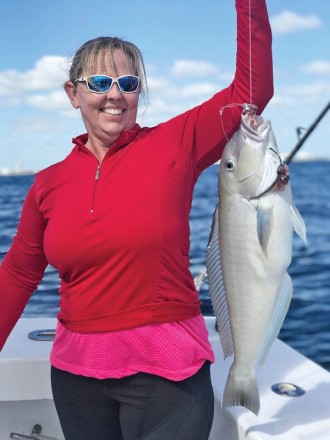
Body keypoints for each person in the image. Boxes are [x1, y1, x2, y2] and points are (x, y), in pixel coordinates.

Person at [0, 0, 273, 439]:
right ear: (73, 94)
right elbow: (16, 275)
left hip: (169, 376)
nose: (115, 94)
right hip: (76, 377)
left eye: (128, 82)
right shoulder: (47, 185)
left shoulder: (174, 145)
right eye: (100, 82)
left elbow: (252, 90)